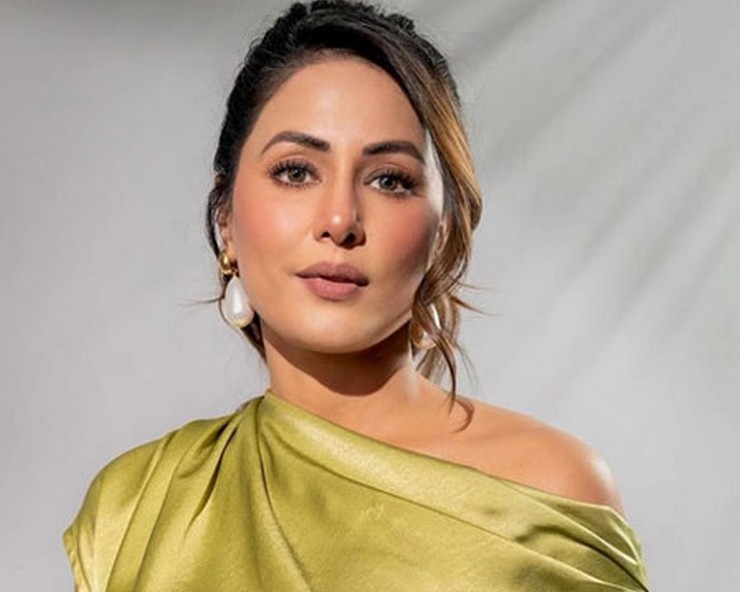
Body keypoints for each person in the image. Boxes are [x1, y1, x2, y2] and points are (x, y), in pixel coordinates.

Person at [63, 1, 650, 590]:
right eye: (296, 172)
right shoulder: (134, 508)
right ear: (226, 219)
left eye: (389, 179)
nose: (341, 219)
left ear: (442, 233)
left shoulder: (547, 496)